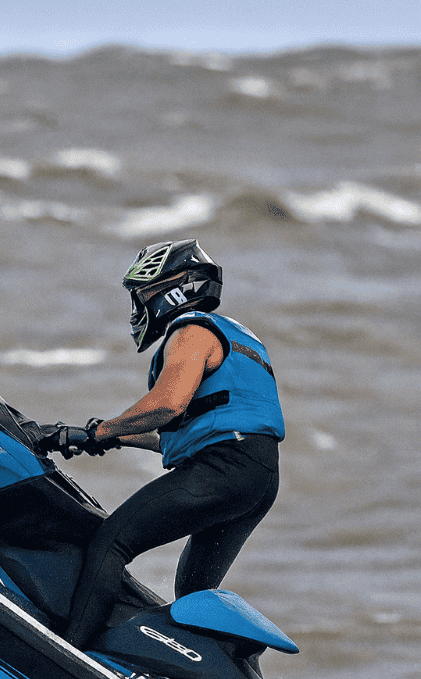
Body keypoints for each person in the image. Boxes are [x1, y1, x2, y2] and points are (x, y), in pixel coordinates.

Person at [38, 239, 285, 649]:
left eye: (142, 295)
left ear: (174, 287)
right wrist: (98, 435)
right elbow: (186, 429)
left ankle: (70, 656)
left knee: (111, 541)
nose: (138, 307)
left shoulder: (190, 331)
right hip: (257, 475)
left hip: (223, 469)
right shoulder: (237, 336)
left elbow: (168, 405)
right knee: (193, 593)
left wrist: (104, 431)